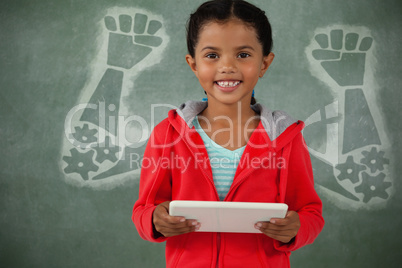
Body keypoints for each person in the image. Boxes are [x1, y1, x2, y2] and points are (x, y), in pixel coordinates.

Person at [132, 0, 324, 267]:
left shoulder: (285, 137)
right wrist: (155, 220)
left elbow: (310, 212)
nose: (227, 66)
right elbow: (144, 209)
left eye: (243, 55)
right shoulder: (167, 135)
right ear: (193, 64)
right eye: (212, 55)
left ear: (265, 63)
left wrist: (297, 228)